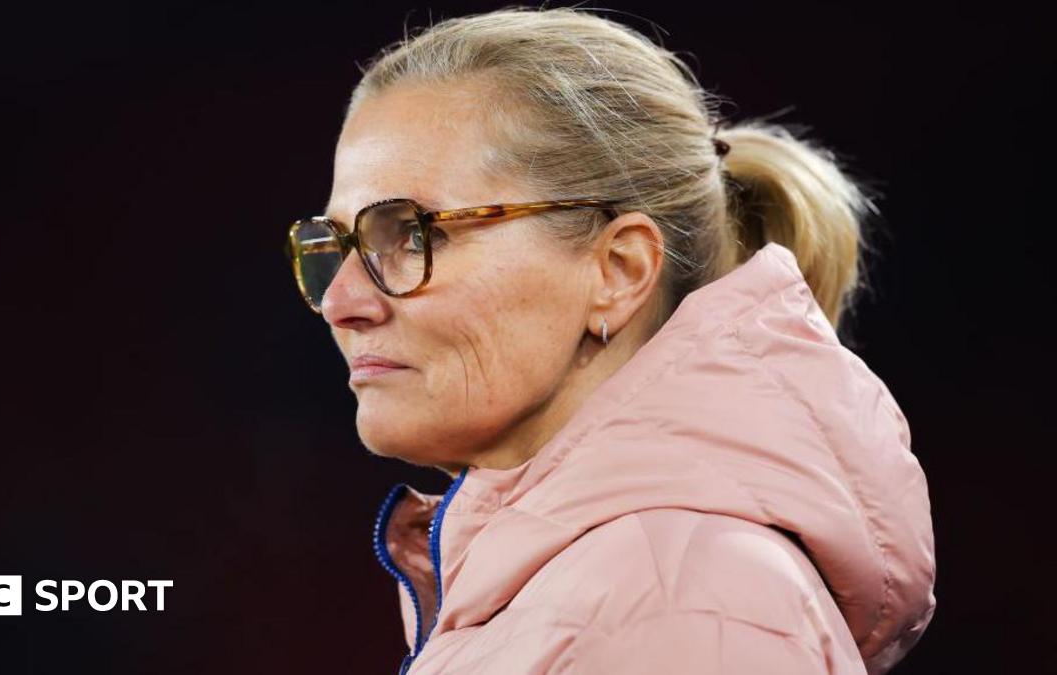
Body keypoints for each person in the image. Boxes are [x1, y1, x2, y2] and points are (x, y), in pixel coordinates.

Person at [282, 6, 936, 674]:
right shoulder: (622, 589)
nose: (340, 303)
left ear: (618, 271)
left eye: (411, 234)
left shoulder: (679, 600)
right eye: (337, 245)